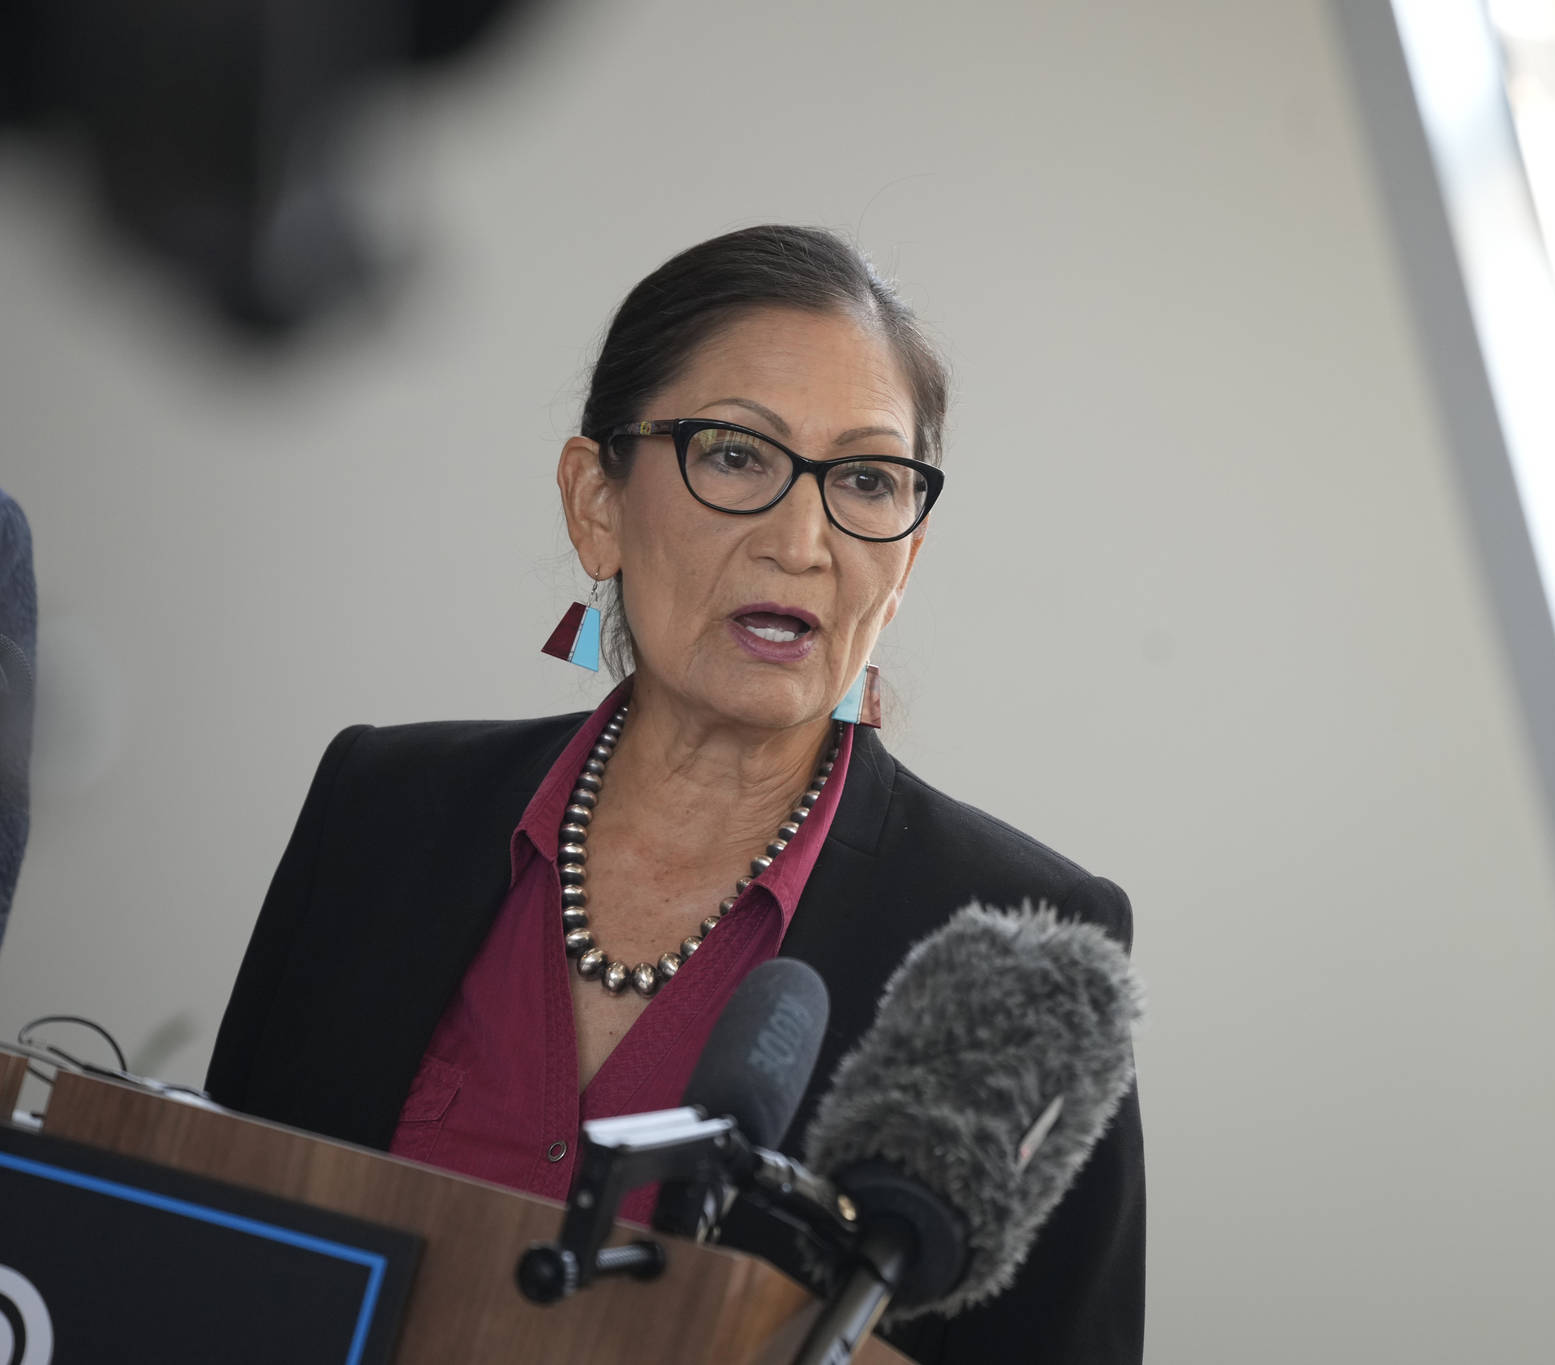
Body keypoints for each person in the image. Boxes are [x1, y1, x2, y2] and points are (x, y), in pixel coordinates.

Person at [204, 225, 1143, 1364]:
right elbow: (215, 1240)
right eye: (735, 455)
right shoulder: (378, 810)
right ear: (594, 502)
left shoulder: (1016, 943)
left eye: (864, 480)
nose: (802, 541)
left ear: (906, 561)